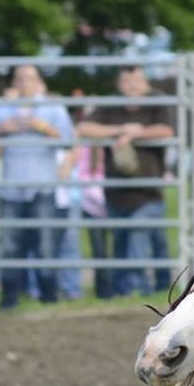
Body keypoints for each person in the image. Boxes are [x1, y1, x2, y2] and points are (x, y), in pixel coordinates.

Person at [78, 65, 174, 299]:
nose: (132, 86)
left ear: (145, 84)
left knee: (138, 238)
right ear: (120, 85)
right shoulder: (111, 105)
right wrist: (121, 129)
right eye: (127, 82)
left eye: (136, 81)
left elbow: (166, 131)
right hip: (117, 192)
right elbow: (84, 128)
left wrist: (135, 133)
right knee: (123, 242)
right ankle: (129, 292)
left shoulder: (156, 103)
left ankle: (138, 290)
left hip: (148, 191)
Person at [0, 64, 72, 308]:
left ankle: (48, 298)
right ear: (14, 82)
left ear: (38, 82)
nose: (25, 83)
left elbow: (68, 141)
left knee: (46, 246)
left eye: (30, 78)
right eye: (20, 78)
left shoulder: (53, 108)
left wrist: (42, 127)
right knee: (9, 247)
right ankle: (10, 299)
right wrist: (0, 131)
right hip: (11, 188)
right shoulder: (3, 110)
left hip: (43, 187)